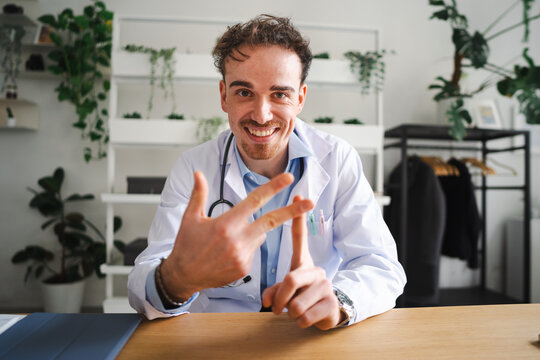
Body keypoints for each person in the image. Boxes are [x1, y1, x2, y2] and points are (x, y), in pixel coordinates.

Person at [128, 14, 406, 330]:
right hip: (214, 335)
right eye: (244, 92)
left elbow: (381, 266)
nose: (261, 115)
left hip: (306, 335)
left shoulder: (337, 160)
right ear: (224, 96)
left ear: (300, 98)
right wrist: (177, 279)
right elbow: (142, 283)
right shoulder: (193, 168)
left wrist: (339, 301)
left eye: (279, 94)